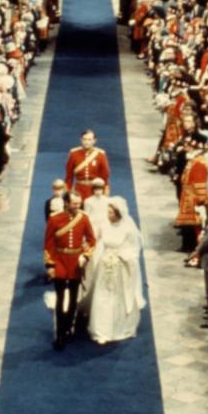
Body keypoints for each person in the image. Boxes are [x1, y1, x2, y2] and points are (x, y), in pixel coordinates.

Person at [86, 197, 146, 345]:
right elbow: (95, 241)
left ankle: (118, 326)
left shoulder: (128, 228)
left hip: (120, 266)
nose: (108, 215)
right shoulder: (104, 225)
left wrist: (121, 256)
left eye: (111, 212)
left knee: (117, 297)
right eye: (108, 212)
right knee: (102, 296)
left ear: (118, 213)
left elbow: (133, 249)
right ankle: (101, 330)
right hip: (104, 264)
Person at [44, 191, 96, 350]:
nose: (77, 206)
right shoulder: (55, 219)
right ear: (66, 202)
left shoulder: (84, 218)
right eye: (75, 203)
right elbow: (49, 243)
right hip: (60, 261)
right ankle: (60, 334)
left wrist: (85, 256)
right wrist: (50, 265)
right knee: (60, 299)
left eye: (79, 204)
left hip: (76, 263)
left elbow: (92, 240)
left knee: (73, 299)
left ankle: (68, 326)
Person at [64, 129, 110, 201]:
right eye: (84, 139)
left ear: (94, 141)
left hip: (95, 191)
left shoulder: (100, 155)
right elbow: (69, 177)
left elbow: (104, 177)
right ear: (81, 140)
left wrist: (105, 193)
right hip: (78, 190)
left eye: (89, 140)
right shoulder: (74, 154)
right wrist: (68, 193)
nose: (86, 142)